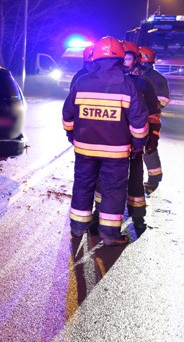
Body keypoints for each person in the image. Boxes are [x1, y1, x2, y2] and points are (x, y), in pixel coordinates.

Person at [62, 36, 149, 246]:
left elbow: (67, 115)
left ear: (95, 58)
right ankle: (109, 235)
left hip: (84, 149)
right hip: (116, 152)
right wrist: (138, 145)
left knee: (83, 185)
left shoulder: (82, 82)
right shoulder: (128, 85)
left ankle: (77, 228)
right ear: (120, 58)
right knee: (113, 190)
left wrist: (71, 135)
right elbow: (139, 122)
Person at [121, 41, 161, 235]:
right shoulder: (112, 81)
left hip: (136, 143)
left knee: (135, 181)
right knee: (105, 182)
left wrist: (152, 139)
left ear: (136, 60)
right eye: (122, 57)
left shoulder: (143, 83)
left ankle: (137, 217)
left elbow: (153, 114)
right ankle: (101, 217)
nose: (124, 61)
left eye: (128, 57)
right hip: (116, 142)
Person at [139, 46, 170, 193]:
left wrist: (147, 103)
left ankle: (154, 179)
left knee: (149, 149)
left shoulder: (157, 78)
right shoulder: (136, 75)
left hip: (150, 120)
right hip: (137, 119)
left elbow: (163, 100)